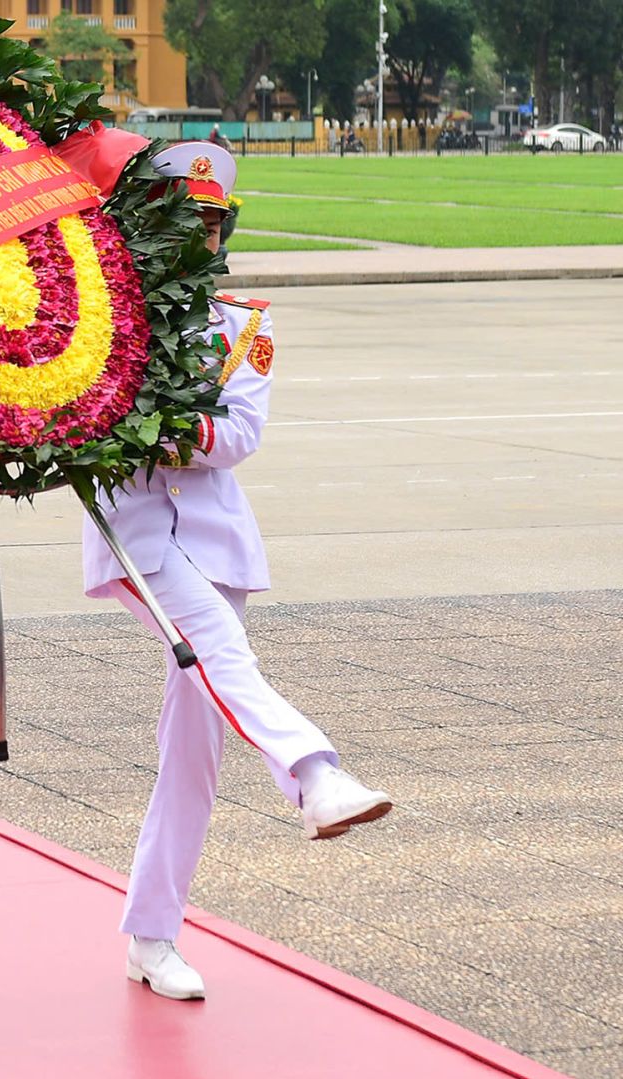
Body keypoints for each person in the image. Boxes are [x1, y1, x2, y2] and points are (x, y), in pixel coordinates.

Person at [83, 142, 392, 1002]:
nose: (200, 241)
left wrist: (152, 422)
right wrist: (155, 420)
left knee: (194, 752)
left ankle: (150, 934)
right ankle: (315, 775)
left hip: (218, 540)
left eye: (213, 226)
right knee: (220, 650)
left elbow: (239, 437)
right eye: (185, 223)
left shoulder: (243, 324)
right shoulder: (105, 317)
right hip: (136, 535)